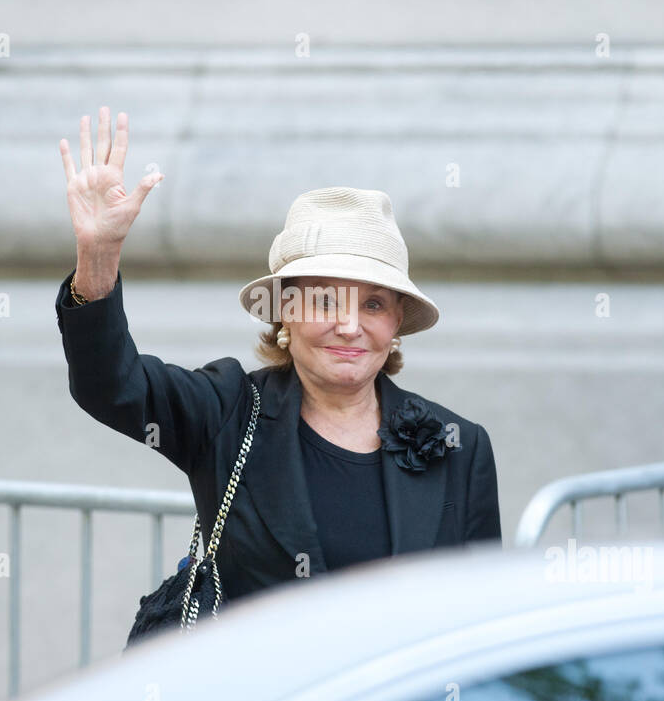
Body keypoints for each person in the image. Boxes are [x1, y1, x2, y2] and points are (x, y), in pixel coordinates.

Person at [54, 107, 501, 603]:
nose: (349, 325)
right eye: (324, 300)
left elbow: (481, 614)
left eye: (373, 303)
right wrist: (99, 256)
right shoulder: (227, 411)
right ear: (283, 310)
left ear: (396, 321)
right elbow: (110, 385)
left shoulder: (458, 446)